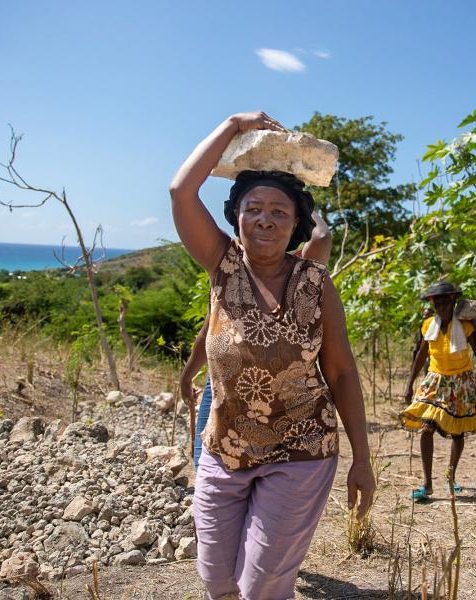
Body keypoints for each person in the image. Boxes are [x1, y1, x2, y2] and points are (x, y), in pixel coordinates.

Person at [170, 111, 374, 599]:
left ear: (297, 225)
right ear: (237, 217)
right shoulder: (223, 266)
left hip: (301, 451)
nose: (265, 219)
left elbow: (343, 373)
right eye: (253, 208)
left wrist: (362, 460)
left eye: (280, 211)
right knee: (218, 581)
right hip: (225, 451)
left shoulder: (316, 285)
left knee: (262, 586)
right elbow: (181, 192)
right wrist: (233, 124)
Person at [181, 210, 332, 469]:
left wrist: (295, 194)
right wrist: (187, 374)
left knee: (270, 466)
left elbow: (322, 236)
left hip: (283, 398)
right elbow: (209, 330)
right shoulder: (230, 270)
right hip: (223, 388)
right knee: (206, 457)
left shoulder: (300, 271)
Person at [400, 281, 476, 501]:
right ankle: (427, 484)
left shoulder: (465, 326)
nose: (442, 307)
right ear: (433, 304)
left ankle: (451, 476)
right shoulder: (428, 324)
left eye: (445, 302)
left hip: (460, 382)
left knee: (457, 432)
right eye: (437, 303)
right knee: (426, 428)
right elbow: (422, 354)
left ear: (453, 302)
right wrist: (409, 383)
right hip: (435, 379)